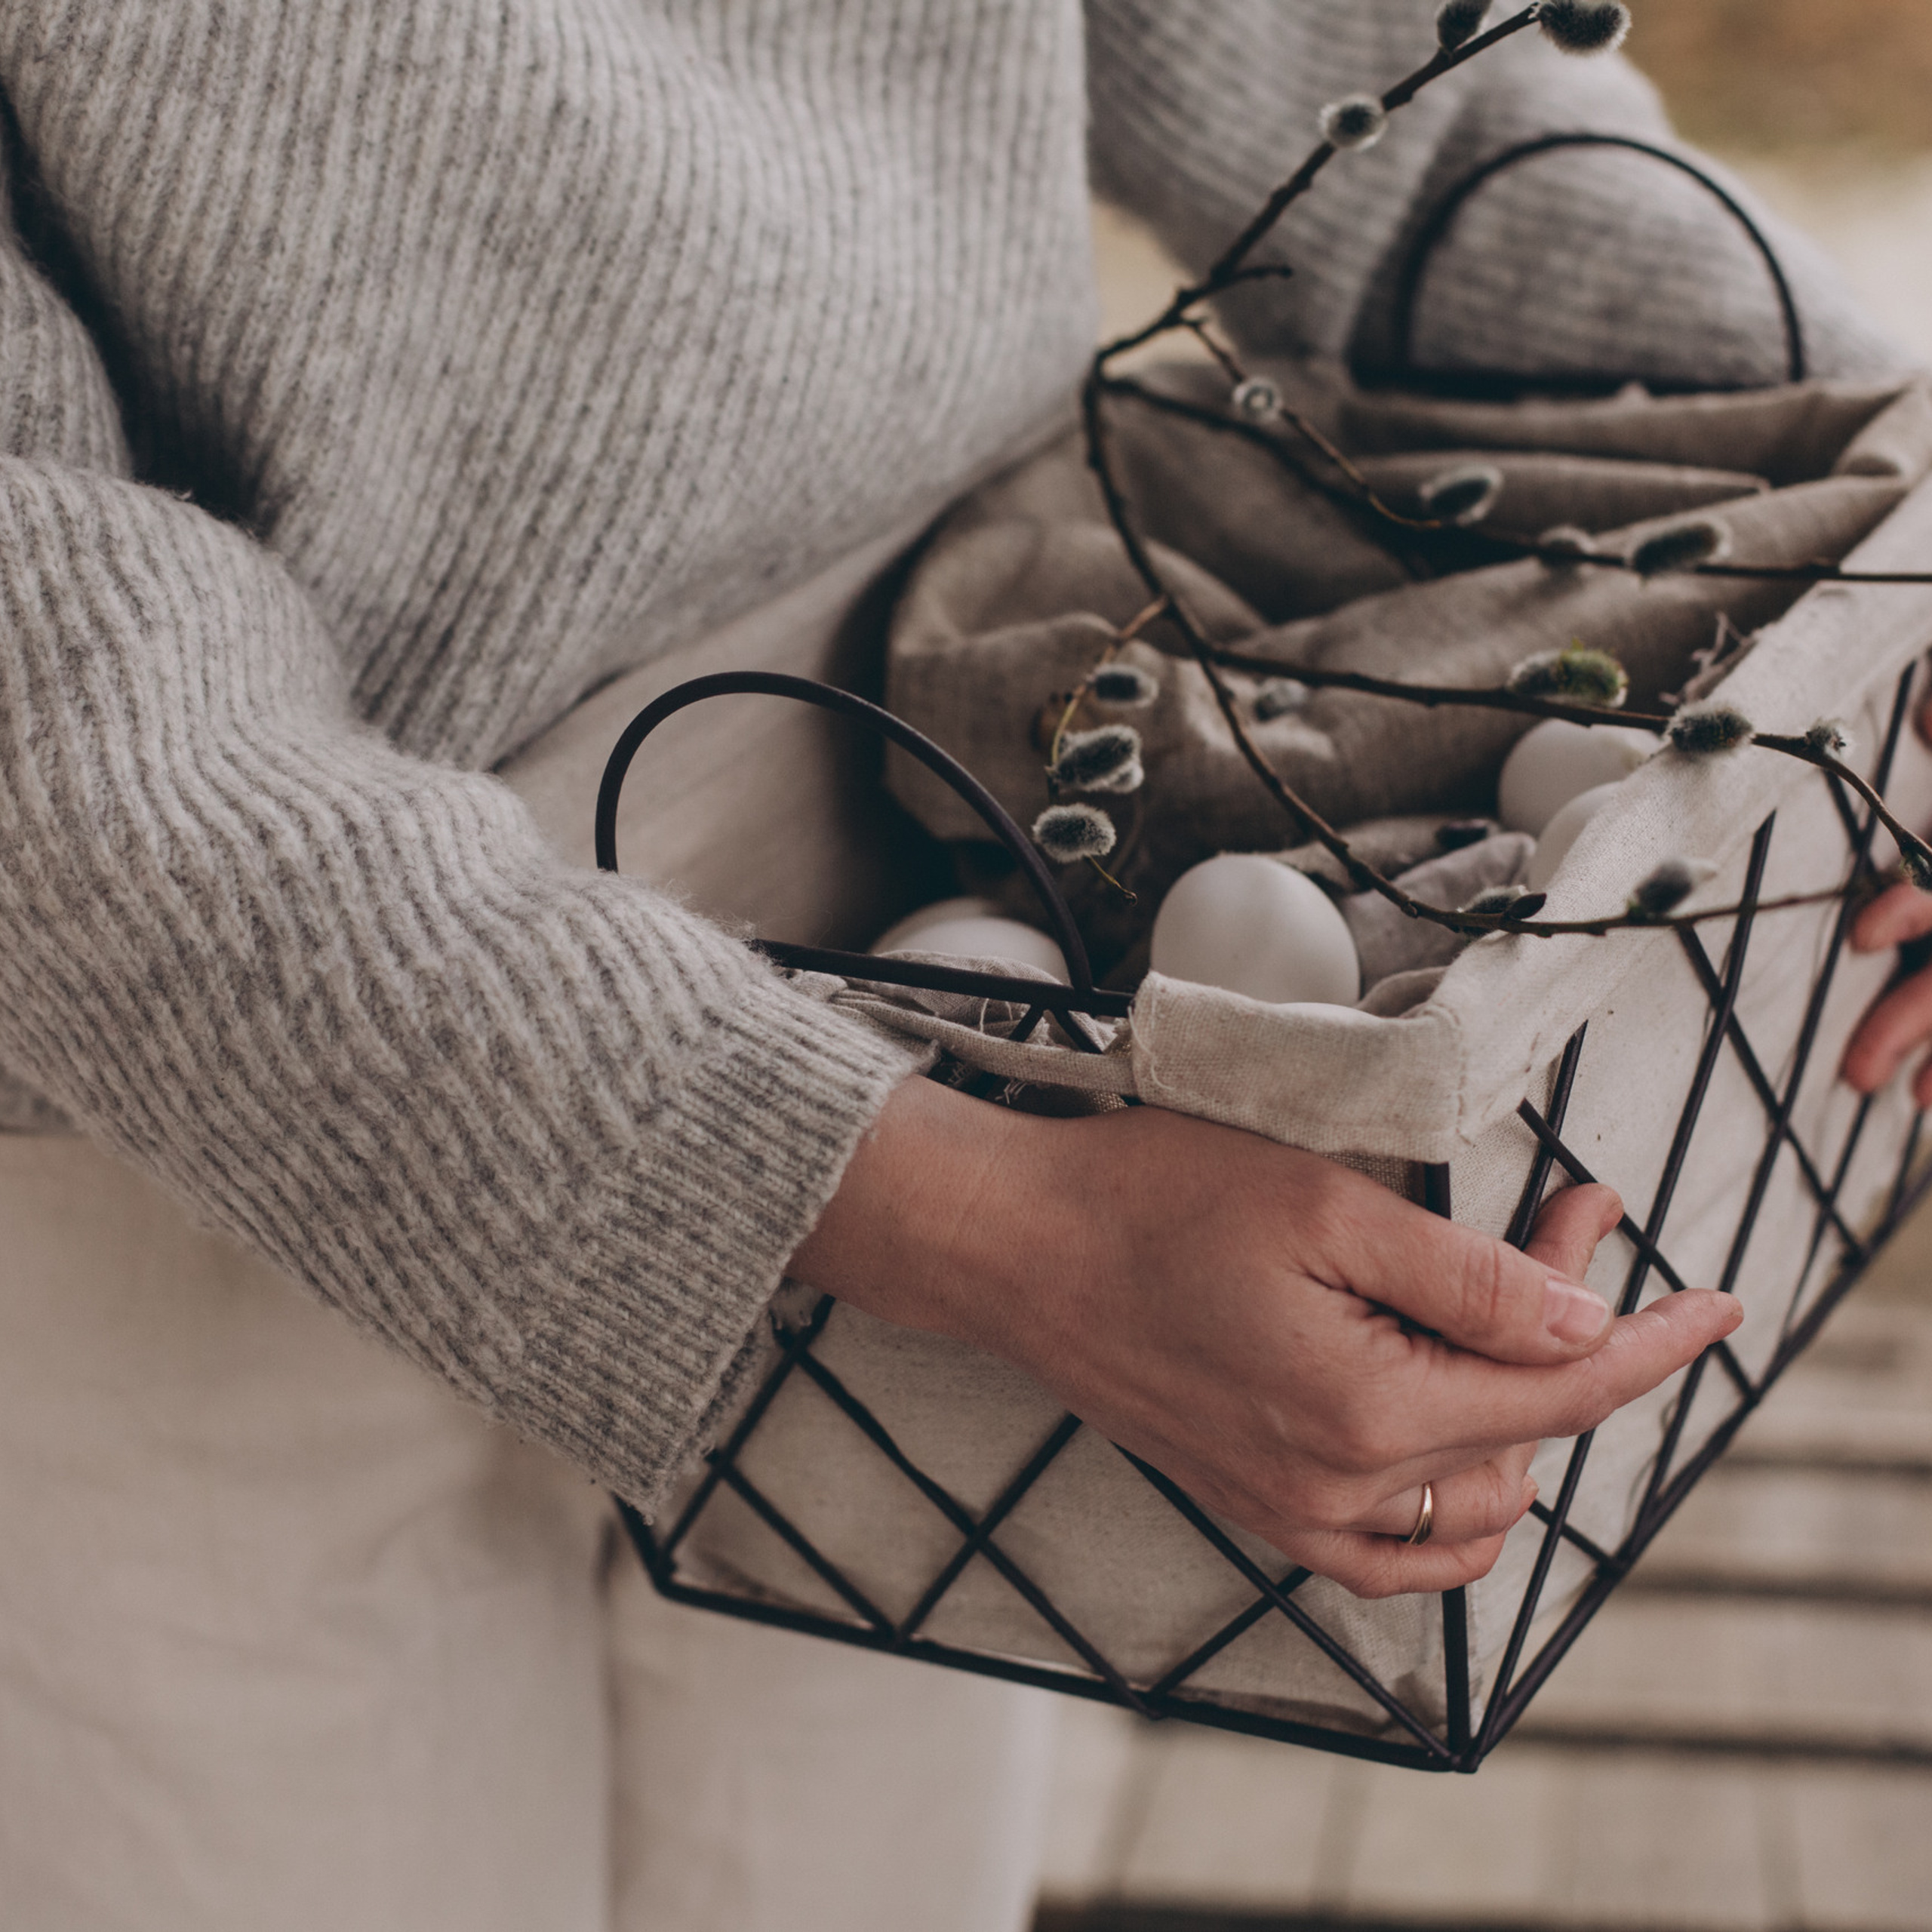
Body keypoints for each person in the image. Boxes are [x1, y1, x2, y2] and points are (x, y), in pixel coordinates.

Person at [0, 4, 1915, 1929]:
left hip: (961, 915)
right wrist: (993, 1222)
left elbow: (1418, 121)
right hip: (209, 1100)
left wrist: (1882, 599)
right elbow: (48, 704)